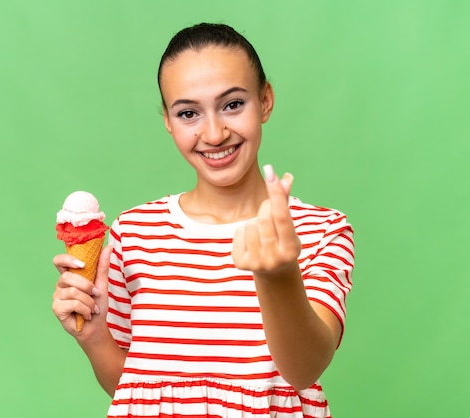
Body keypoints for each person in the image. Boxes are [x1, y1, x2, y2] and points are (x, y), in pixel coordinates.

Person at [52, 23, 355, 417]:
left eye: (232, 104)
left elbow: (303, 369)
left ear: (265, 100)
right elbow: (134, 387)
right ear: (168, 121)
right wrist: (92, 337)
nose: (213, 134)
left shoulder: (321, 231)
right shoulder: (134, 232)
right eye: (188, 113)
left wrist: (278, 273)